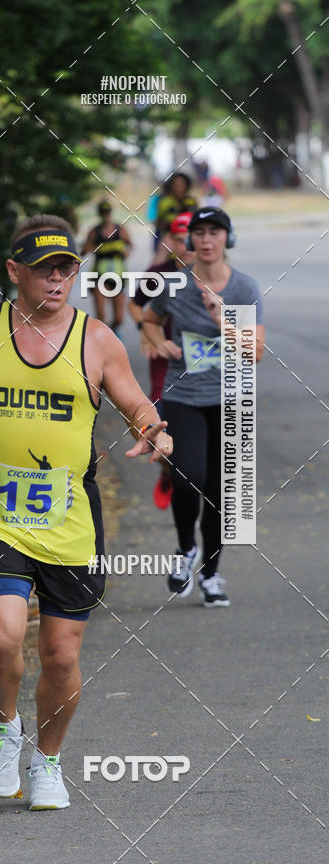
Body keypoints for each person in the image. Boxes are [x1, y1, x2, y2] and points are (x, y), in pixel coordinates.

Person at [0, 214, 171, 810]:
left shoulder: (96, 341)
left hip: (70, 520)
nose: (57, 280)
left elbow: (135, 401)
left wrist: (155, 430)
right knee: (1, 637)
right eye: (44, 270)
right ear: (15, 272)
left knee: (60, 655)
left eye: (67, 269)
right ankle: (6, 728)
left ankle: (48, 760)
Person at [142, 207, 265, 607]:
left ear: (227, 239)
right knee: (186, 476)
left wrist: (222, 319)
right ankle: (184, 550)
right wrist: (159, 342)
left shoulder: (243, 289)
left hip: (230, 397)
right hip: (183, 395)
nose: (207, 240)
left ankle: (211, 575)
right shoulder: (175, 285)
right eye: (200, 232)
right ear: (190, 240)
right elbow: (149, 319)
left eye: (215, 232)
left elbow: (255, 351)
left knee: (219, 492)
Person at [128, 212, 196, 509]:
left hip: (200, 364)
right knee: (163, 424)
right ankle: (167, 472)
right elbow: (134, 305)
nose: (186, 246)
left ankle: (186, 477)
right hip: (164, 358)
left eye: (189, 239)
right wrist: (145, 329)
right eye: (180, 240)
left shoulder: (211, 274)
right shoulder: (158, 273)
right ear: (170, 241)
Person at [82, 200, 133, 336]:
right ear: (100, 214)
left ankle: (113, 332)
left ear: (111, 213)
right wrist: (97, 248)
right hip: (99, 275)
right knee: (101, 316)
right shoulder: (94, 231)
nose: (106, 216)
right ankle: (104, 338)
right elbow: (84, 250)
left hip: (118, 274)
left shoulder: (120, 229)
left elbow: (130, 245)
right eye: (103, 213)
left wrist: (126, 251)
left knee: (119, 318)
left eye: (108, 212)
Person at [155, 172, 198, 241]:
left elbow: (195, 219)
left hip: (186, 239)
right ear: (170, 186)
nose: (179, 187)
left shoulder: (191, 201)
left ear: (186, 186)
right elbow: (158, 221)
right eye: (176, 184)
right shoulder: (164, 202)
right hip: (168, 238)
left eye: (182, 184)